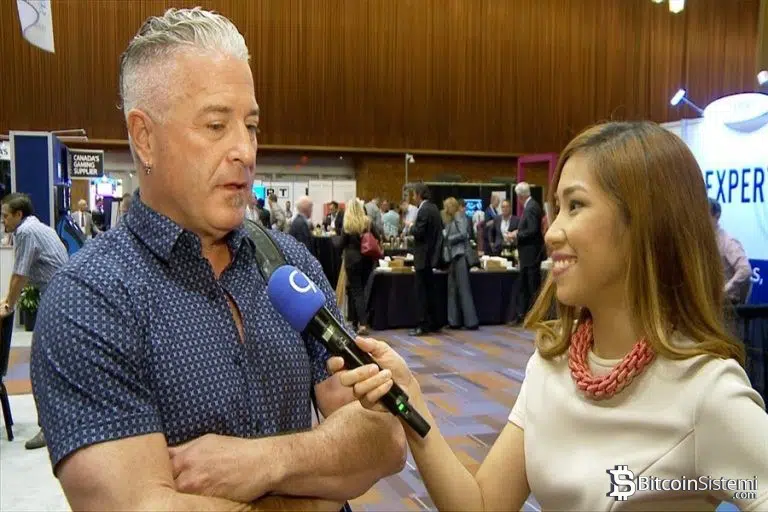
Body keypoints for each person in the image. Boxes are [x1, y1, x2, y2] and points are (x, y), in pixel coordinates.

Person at [29, 8, 405, 511]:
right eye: (215, 125)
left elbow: (385, 438)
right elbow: (141, 506)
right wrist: (316, 493)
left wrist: (264, 462)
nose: (245, 150)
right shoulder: (89, 298)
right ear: (144, 138)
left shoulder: (289, 265)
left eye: (251, 125)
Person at [329, 122, 768, 511]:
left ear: (645, 225)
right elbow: (482, 505)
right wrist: (409, 400)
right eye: (557, 208)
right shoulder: (551, 365)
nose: (553, 232)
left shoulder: (706, 392)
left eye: (576, 206)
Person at [0, 192, 69, 450]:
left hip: (56, 299)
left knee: (41, 366)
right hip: (59, 296)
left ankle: (48, 429)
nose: (3, 220)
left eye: (5, 216)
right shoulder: (36, 227)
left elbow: (20, 274)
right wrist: (9, 299)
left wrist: (9, 305)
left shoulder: (26, 232)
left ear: (18, 215)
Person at [409, 183, 443, 336]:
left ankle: (422, 325)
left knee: (421, 292)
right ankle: (434, 322)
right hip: (432, 256)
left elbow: (419, 232)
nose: (413, 198)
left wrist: (410, 227)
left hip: (422, 257)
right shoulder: (435, 208)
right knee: (430, 291)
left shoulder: (423, 210)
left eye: (413, 195)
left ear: (419, 194)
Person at [341, 199, 379, 336]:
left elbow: (341, 244)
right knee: (360, 290)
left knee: (356, 292)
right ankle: (355, 322)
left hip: (352, 260)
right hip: (367, 259)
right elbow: (378, 236)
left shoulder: (347, 224)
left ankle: (362, 324)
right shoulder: (367, 222)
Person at [509, 182, 544, 323]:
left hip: (530, 254)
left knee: (531, 286)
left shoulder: (530, 208)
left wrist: (516, 235)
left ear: (520, 196)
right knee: (527, 285)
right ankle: (525, 315)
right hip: (528, 254)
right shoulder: (532, 206)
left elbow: (532, 230)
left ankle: (534, 316)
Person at [442, 197, 478, 330]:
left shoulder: (459, 217)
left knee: (464, 289)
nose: (445, 210)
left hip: (460, 255)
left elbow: (464, 234)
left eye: (446, 207)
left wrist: (449, 239)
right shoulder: (450, 219)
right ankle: (453, 321)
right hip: (453, 257)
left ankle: (471, 322)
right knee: (452, 289)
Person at [709, 198, 752, 305]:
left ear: (717, 216)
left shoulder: (728, 242)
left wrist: (724, 290)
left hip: (727, 303)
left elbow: (745, 270)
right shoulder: (704, 241)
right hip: (710, 301)